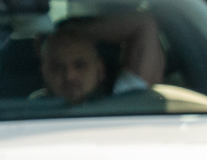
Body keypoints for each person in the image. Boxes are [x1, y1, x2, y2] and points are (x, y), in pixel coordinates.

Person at [34, 14, 166, 108]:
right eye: (57, 67)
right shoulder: (27, 110)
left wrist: (73, 31)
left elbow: (144, 24)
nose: (70, 76)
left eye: (80, 65)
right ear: (44, 73)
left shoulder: (123, 101)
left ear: (100, 69)